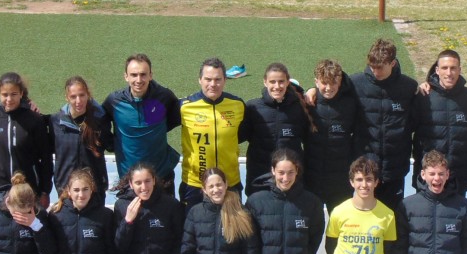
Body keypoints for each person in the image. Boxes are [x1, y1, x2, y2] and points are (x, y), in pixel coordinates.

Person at [349, 38, 418, 215]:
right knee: (363, 218)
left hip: (394, 169)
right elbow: (328, 91)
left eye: (380, 67)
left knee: (392, 221)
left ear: (393, 63)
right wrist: (311, 91)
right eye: (372, 67)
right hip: (365, 170)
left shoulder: (409, 87)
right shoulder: (354, 84)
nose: (375, 71)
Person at [181, 167, 260, 254]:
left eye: (219, 185)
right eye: (210, 186)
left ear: (226, 184)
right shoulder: (195, 213)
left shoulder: (241, 213)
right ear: (204, 189)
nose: (215, 189)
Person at [413, 50, 467, 200]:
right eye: (444, 68)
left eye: (453, 68)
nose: (449, 73)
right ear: (437, 70)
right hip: (429, 179)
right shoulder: (422, 97)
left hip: (458, 179)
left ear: (460, 70)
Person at [102, 54, 181, 191]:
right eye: (134, 75)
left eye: (143, 74)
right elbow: (100, 123)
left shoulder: (164, 97)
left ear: (151, 75)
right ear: (126, 76)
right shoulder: (114, 101)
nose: (139, 80)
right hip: (129, 178)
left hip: (161, 175)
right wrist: (112, 144)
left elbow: (174, 118)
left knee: (166, 212)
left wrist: (157, 132)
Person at [179, 58, 246, 208]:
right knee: (194, 229)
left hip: (230, 182)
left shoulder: (237, 105)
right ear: (200, 80)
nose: (213, 84)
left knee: (232, 229)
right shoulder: (185, 107)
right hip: (195, 184)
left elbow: (243, 134)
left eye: (218, 79)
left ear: (225, 80)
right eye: (208, 79)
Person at [241, 62, 312, 196]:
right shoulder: (252, 108)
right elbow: (240, 136)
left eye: (281, 82)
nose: (277, 86)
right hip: (259, 177)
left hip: (289, 179)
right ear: (265, 82)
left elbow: (308, 139)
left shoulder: (299, 108)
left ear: (287, 82)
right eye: (272, 82)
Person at [303, 59, 364, 212]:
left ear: (340, 81)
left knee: (340, 228)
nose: (329, 88)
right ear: (316, 82)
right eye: (324, 83)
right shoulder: (307, 103)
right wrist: (309, 91)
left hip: (340, 181)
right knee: (311, 227)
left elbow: (359, 137)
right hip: (311, 179)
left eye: (333, 83)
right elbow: (288, 87)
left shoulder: (351, 104)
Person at [0, 72, 53, 207]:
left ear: (21, 93)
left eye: (14, 94)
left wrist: (45, 191)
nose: (9, 99)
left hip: (28, 187)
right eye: (5, 95)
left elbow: (45, 157)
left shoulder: (35, 120)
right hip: (1, 187)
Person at [51, 76, 112, 197]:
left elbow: (111, 145)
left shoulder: (100, 120)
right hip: (66, 190)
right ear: (67, 97)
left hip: (94, 190)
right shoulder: (56, 121)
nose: (78, 101)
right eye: (73, 97)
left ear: (88, 95)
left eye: (82, 95)